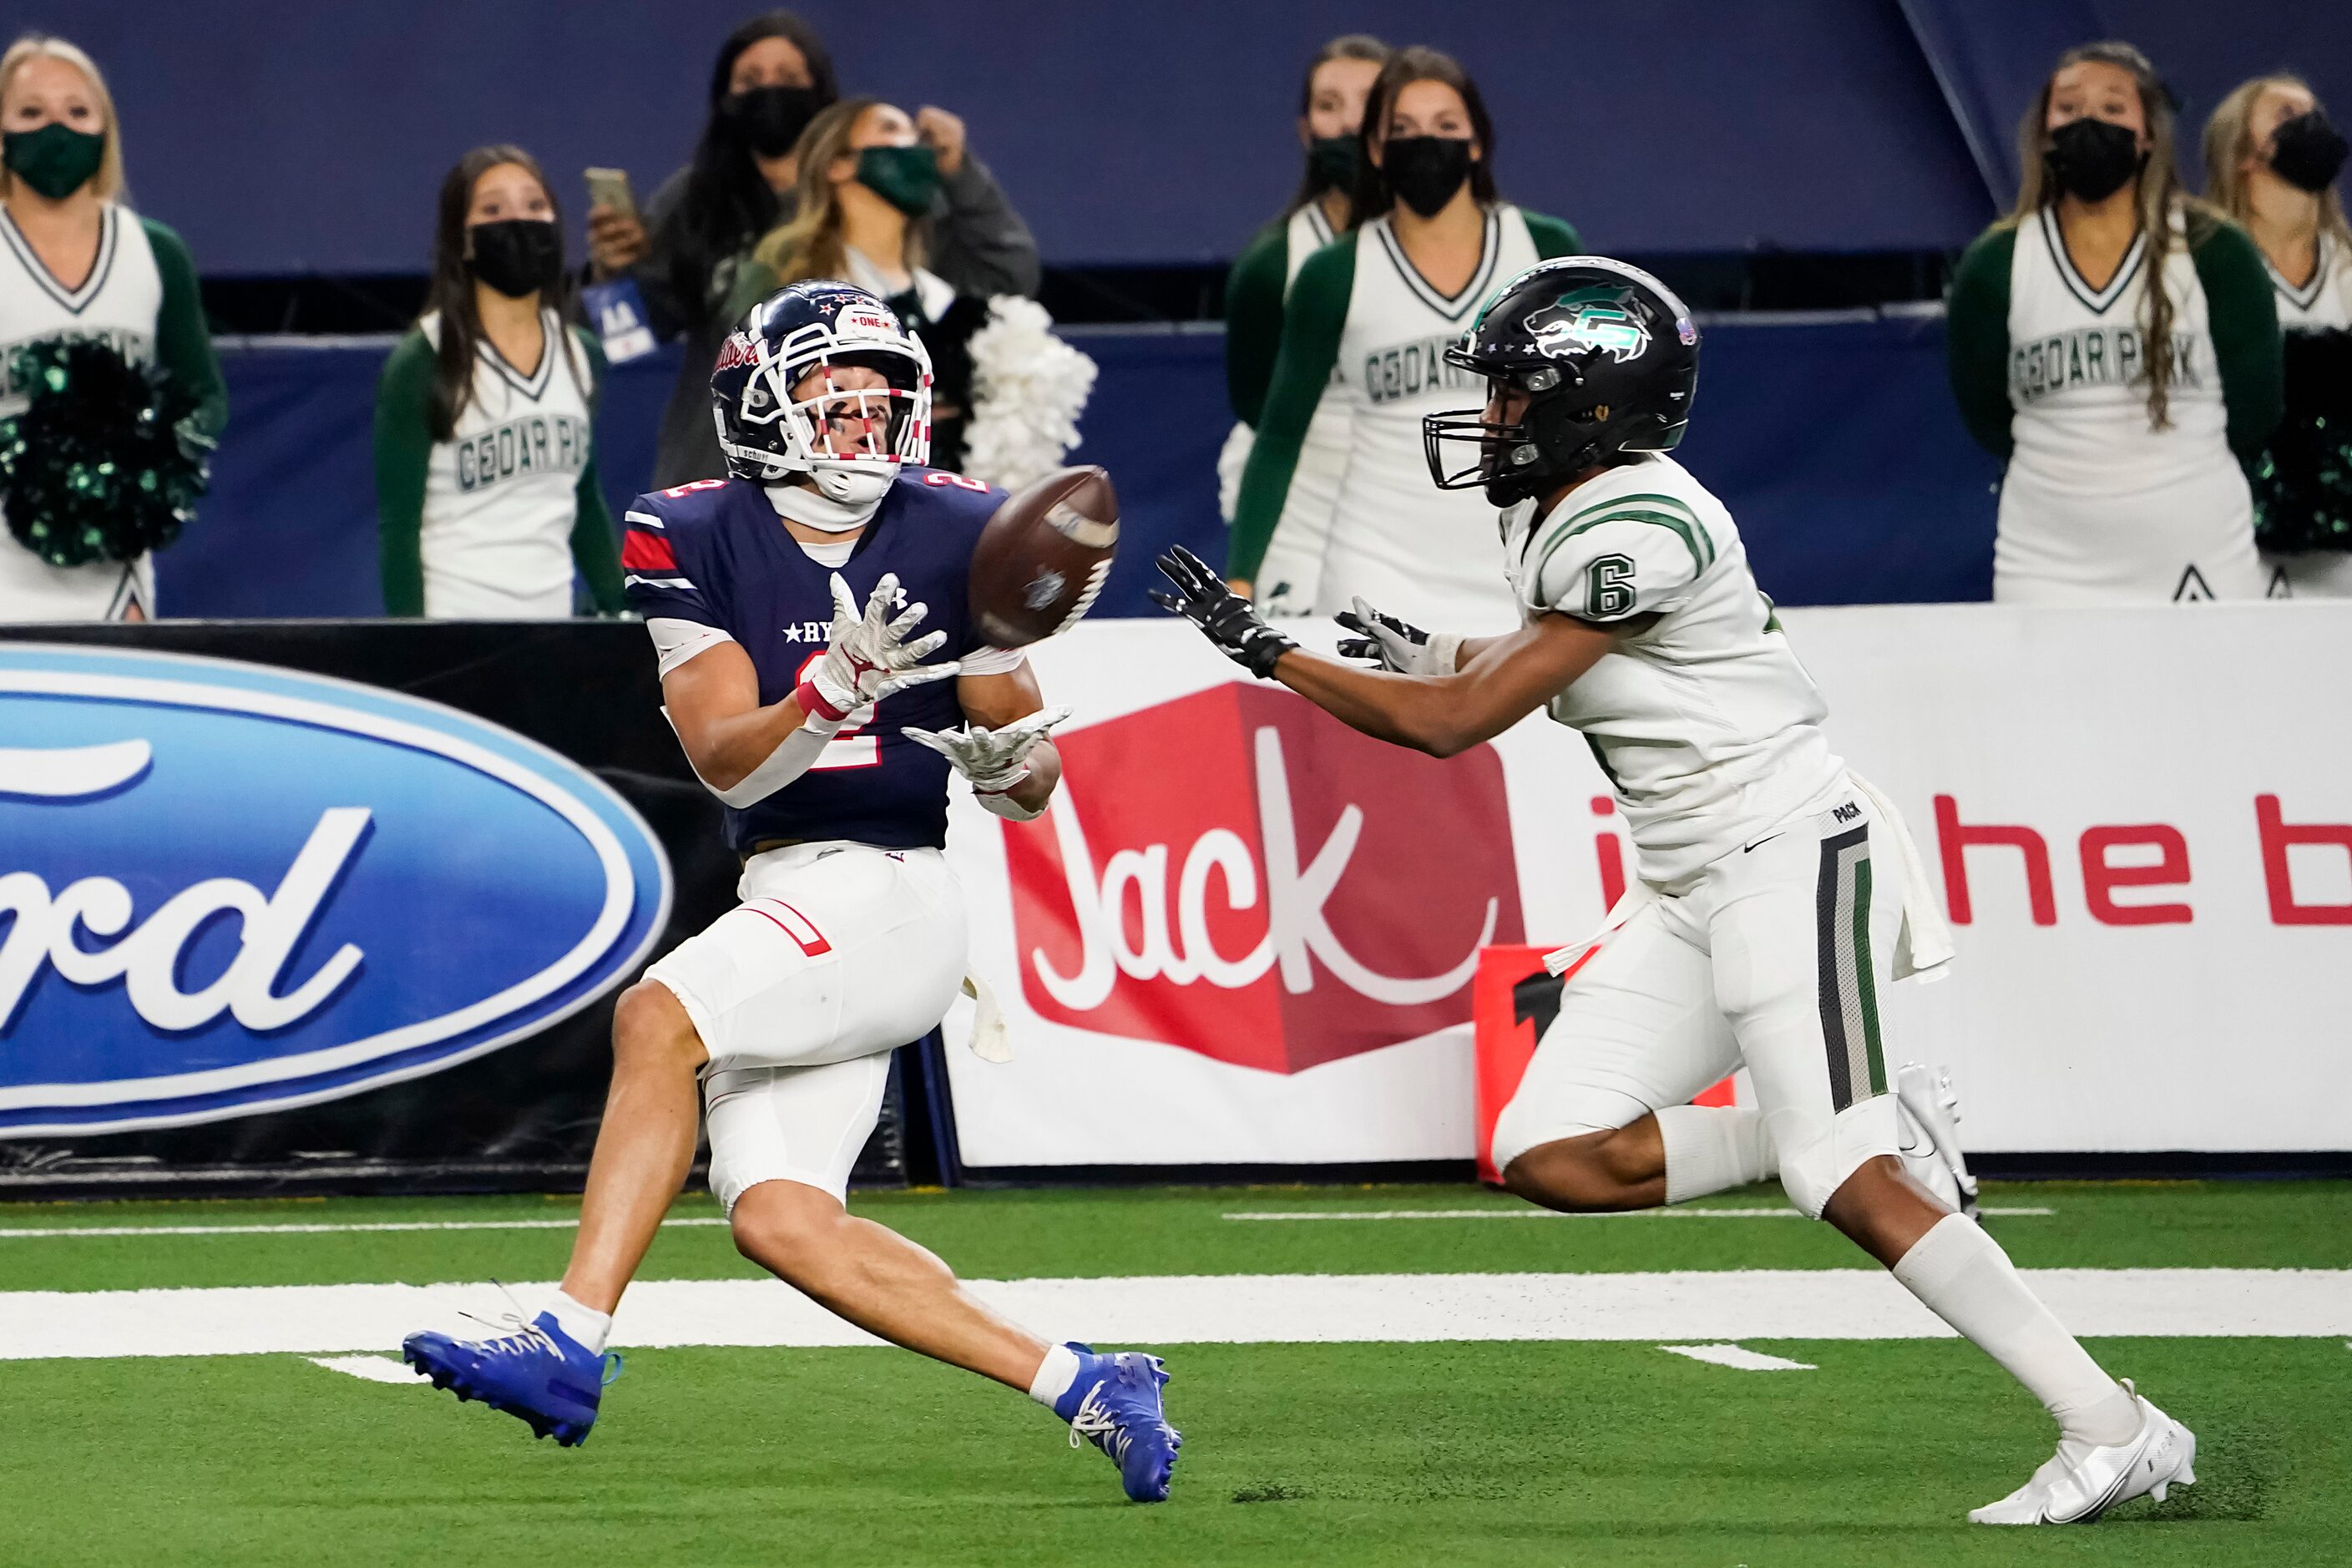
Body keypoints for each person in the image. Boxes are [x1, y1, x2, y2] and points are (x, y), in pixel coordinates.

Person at [1156, 256, 2196, 1526]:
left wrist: (1277, 655)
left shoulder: (1639, 518)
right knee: (1548, 1151)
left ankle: (2112, 1424)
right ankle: (1852, 1122)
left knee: (1848, 1186)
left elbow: (1460, 725)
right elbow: (1541, 661)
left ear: (1594, 403)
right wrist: (1433, 648)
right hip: (1692, 882)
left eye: (1515, 391)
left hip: (1788, 853)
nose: (1491, 415)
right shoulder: (1568, 504)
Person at [401, 281, 1181, 1504]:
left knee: (658, 1015)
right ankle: (1088, 1379)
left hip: (895, 893)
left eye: (882, 403)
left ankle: (566, 1341)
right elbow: (727, 758)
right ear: (763, 410)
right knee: (780, 1219)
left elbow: (1032, 786)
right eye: (836, 399)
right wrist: (831, 688)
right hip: (795, 892)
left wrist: (1007, 760)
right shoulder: (687, 529)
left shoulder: (961, 524)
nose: (865, 426)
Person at [584, 10, 1039, 489]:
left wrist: (960, 175)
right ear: (725, 99)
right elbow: (626, 335)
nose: (769, 89)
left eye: (788, 77)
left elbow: (1010, 279)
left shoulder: (893, 211)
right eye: (750, 79)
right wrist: (616, 273)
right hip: (730, 474)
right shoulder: (697, 202)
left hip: (876, 487)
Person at [1229, 46, 1582, 630]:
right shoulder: (1332, 271)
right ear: (1375, 148)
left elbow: (1598, 407)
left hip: (1515, 549)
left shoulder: (1542, 246)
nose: (1425, 143)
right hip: (1373, 560)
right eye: (1403, 128)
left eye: (1444, 126)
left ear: (1476, 141)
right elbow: (1277, 435)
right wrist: (1239, 580)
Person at [1946, 41, 2280, 604]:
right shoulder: (1995, 263)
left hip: (2200, 556)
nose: (2088, 123)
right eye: (2069, 108)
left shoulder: (2213, 250)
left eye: (2112, 109)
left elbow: (2255, 408)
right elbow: (1986, 416)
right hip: (2047, 565)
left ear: (2148, 133)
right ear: (2043, 129)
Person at [0, 33, 224, 622]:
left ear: (105, 132)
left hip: (113, 570)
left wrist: (150, 474)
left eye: (77, 112)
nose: (57, 129)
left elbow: (204, 396)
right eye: (31, 112)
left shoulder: (155, 252)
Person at [374, 145, 624, 619]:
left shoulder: (580, 354)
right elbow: (399, 525)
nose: (518, 221)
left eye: (534, 206)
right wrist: (408, 643)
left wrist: (621, 609)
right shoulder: (424, 359)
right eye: (492, 209)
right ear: (462, 239)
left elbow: (583, 502)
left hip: (553, 626)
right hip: (455, 625)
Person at [1216, 33, 1389, 615]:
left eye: (1367, 103)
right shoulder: (1272, 262)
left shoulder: (1454, 253)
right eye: (1327, 105)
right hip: (1300, 499)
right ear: (1304, 129)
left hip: (1413, 491)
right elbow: (1255, 409)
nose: (1346, 123)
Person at [726, 98, 989, 471]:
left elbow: (1015, 270)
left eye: (917, 134)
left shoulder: (938, 296)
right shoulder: (782, 282)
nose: (916, 145)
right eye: (891, 128)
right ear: (838, 164)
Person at [2203, 75, 2352, 594]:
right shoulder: (2200, 272)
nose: (2310, 126)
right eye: (2287, 116)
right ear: (2241, 153)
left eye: (2316, 114)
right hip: (2235, 548)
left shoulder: (2347, 272)